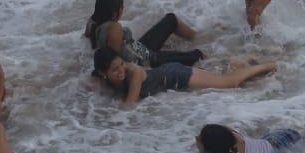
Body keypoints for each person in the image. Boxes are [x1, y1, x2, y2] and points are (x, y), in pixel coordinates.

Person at [91, 47, 275, 106]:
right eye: (115, 69)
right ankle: (241, 61)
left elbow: (129, 105)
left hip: (176, 76)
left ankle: (268, 65)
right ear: (102, 73)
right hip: (169, 76)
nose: (121, 70)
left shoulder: (135, 74)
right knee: (219, 80)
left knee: (230, 84)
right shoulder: (101, 77)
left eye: (121, 64)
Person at [84, 0, 203, 67]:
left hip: (139, 48)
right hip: (146, 60)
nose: (123, 10)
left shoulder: (92, 22)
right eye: (122, 7)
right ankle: (202, 45)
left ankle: (197, 36)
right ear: (115, 14)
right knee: (195, 56)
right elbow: (115, 61)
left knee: (171, 19)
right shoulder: (114, 28)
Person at [196, 124, 304, 153]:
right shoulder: (235, 139)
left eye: (200, 137)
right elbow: (225, 130)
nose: (197, 137)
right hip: (270, 141)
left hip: (281, 141)